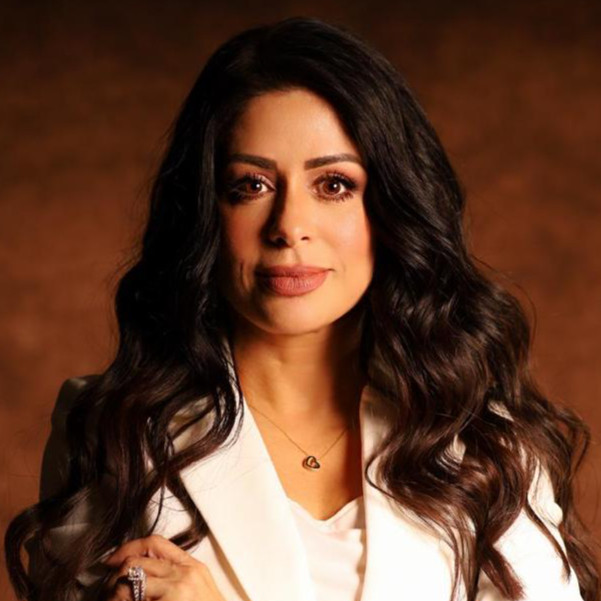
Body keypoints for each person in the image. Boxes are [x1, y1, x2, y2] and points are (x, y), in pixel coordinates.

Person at [4, 15, 599, 601]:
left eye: (334, 184)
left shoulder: (488, 442)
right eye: (251, 185)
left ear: (391, 209)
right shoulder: (111, 428)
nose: (289, 225)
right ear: (206, 213)